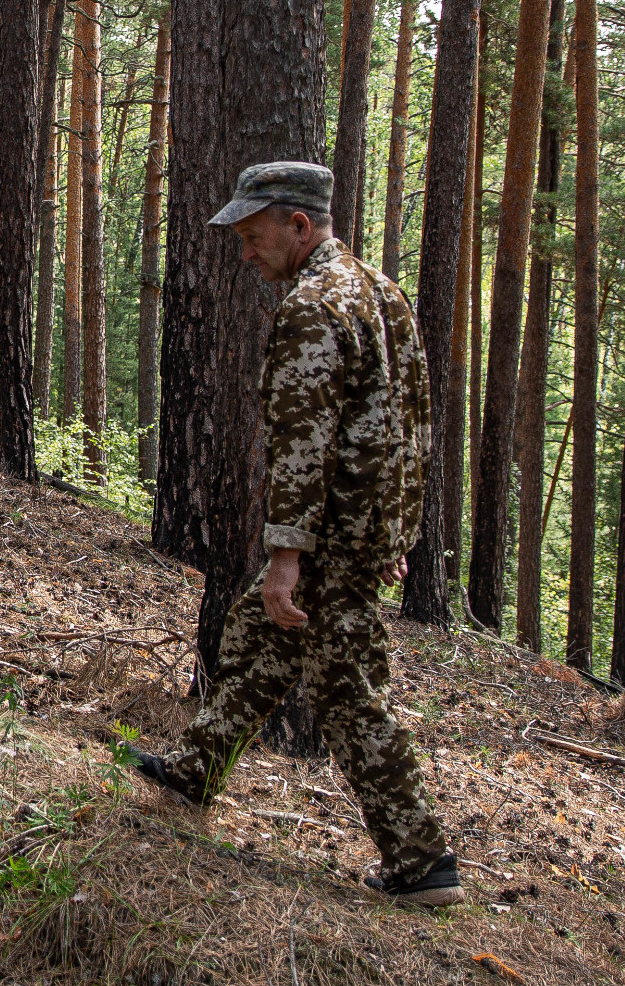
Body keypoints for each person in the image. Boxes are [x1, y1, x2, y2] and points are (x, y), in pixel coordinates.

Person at [124, 160, 462, 906]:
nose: (246, 253)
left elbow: (305, 446)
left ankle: (421, 860)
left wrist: (287, 556)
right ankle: (195, 770)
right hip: (361, 531)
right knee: (255, 640)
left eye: (254, 236)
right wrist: (396, 531)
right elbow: (408, 423)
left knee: (348, 693)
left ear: (299, 225)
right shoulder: (381, 294)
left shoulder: (315, 308)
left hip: (329, 540)